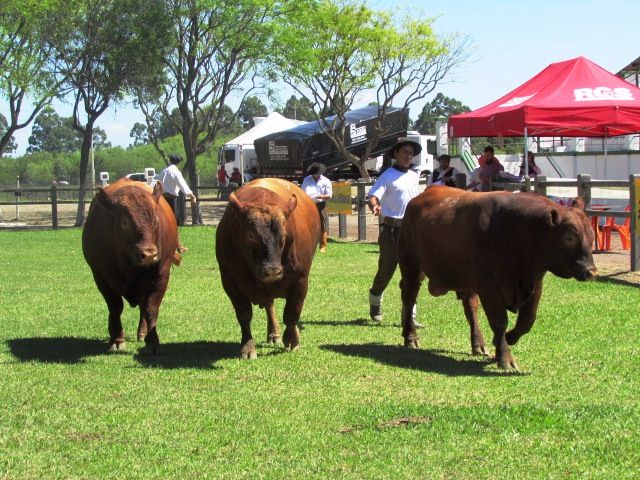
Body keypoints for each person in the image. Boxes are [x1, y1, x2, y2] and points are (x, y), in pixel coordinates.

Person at [367, 137, 423, 328]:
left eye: (411, 153)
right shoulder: (387, 175)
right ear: (396, 154)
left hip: (413, 231)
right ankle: (375, 303)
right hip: (391, 231)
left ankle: (411, 316)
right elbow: (373, 196)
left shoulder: (415, 176)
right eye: (404, 152)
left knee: (413, 274)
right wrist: (374, 206)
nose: (408, 156)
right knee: (386, 272)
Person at [154, 154, 197, 253]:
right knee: (172, 223)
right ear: (178, 162)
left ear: (170, 160)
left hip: (161, 199)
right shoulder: (175, 172)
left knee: (163, 222)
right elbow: (182, 184)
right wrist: (191, 195)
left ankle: (174, 245)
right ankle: (177, 246)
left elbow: (156, 182)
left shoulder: (163, 171)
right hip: (171, 200)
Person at [301, 162, 332, 253]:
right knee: (307, 223)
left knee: (323, 223)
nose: (316, 175)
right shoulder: (307, 180)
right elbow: (303, 191)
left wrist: (321, 197)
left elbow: (329, 195)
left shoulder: (326, 181)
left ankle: (323, 245)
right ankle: (309, 243)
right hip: (308, 204)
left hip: (321, 204)